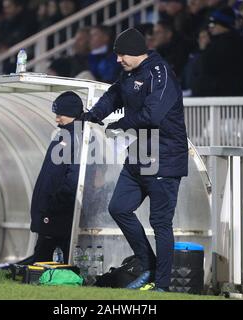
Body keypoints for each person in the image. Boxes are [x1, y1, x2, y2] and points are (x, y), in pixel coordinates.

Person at [79, 28, 188, 292]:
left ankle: (162, 286)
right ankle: (148, 265)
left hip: (164, 158)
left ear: (138, 52)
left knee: (160, 223)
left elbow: (153, 115)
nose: (118, 60)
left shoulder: (160, 73)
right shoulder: (130, 73)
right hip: (139, 157)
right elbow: (114, 94)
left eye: (122, 54)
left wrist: (120, 123)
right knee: (118, 208)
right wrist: (94, 115)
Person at [21, 91, 83, 264]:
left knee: (45, 255)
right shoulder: (63, 135)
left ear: (71, 113)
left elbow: (74, 176)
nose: (56, 119)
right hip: (52, 209)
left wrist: (56, 201)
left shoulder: (79, 137)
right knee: (44, 253)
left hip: (59, 210)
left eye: (60, 114)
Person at [190, 6, 243, 96]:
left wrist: (203, 49)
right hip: (218, 97)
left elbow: (205, 66)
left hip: (223, 98)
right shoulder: (220, 41)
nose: (210, 29)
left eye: (213, 25)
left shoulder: (229, 42)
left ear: (224, 25)